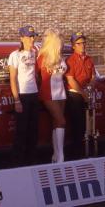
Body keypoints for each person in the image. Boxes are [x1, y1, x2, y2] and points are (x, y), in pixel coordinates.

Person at [8, 25, 40, 166]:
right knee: (21, 130)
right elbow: (13, 78)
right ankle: (18, 162)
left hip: (34, 94)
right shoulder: (15, 55)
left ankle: (31, 160)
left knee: (33, 130)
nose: (32, 39)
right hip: (22, 95)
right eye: (29, 36)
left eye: (33, 36)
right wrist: (16, 100)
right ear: (21, 38)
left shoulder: (35, 52)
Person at [36, 28, 67, 163]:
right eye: (60, 42)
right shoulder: (42, 57)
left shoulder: (61, 57)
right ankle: (61, 156)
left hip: (61, 92)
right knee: (61, 121)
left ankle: (55, 154)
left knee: (56, 122)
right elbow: (36, 76)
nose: (62, 44)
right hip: (48, 93)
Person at [65, 32, 95, 159]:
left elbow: (93, 76)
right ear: (73, 46)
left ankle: (86, 151)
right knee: (76, 125)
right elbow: (70, 80)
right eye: (79, 43)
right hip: (75, 95)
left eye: (83, 43)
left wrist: (90, 87)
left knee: (86, 125)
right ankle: (76, 154)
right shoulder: (70, 60)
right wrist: (84, 94)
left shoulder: (89, 59)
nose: (82, 45)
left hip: (86, 94)